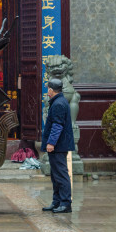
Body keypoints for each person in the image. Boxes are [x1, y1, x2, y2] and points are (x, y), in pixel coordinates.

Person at [40, 78, 75, 214]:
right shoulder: (58, 101)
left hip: (58, 146)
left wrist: (51, 143)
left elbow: (57, 125)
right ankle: (57, 201)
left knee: (61, 174)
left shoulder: (58, 104)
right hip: (58, 145)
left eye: (48, 88)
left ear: (50, 90)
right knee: (55, 175)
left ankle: (65, 203)